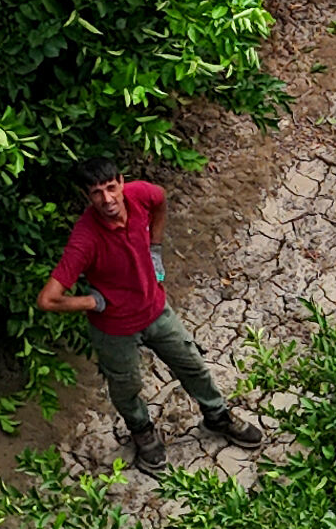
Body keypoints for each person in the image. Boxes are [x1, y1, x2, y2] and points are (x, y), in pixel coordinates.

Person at [35, 157, 265, 470]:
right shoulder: (85, 239)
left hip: (156, 310)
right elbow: (48, 299)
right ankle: (142, 432)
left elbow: (160, 199)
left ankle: (218, 416)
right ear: (87, 197)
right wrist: (94, 302)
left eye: (111, 188)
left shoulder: (140, 194)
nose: (107, 199)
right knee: (127, 386)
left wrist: (155, 246)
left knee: (193, 366)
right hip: (115, 329)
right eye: (96, 193)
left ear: (121, 181)